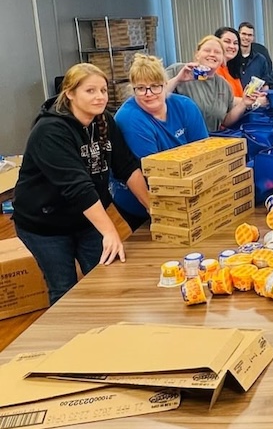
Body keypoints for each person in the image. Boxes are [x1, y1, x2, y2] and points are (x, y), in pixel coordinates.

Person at [12, 63, 150, 304]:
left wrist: (152, 208)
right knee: (65, 290)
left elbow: (127, 166)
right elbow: (77, 188)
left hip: (86, 219)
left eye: (103, 90)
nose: (100, 97)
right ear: (70, 94)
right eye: (90, 91)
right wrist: (110, 231)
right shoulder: (50, 131)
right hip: (45, 225)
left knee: (108, 279)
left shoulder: (104, 120)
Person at [112, 54, 209, 230]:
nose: (149, 94)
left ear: (165, 84)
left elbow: (204, 153)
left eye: (155, 87)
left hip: (185, 189)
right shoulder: (130, 119)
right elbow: (156, 173)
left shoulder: (185, 106)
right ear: (132, 89)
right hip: (142, 200)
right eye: (140, 88)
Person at [165, 35, 251, 132]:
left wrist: (243, 103)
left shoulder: (224, 86)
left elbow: (225, 121)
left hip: (209, 142)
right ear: (197, 54)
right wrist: (178, 79)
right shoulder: (178, 70)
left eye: (217, 52)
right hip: (181, 142)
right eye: (207, 50)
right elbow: (157, 95)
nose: (212, 54)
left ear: (222, 58)